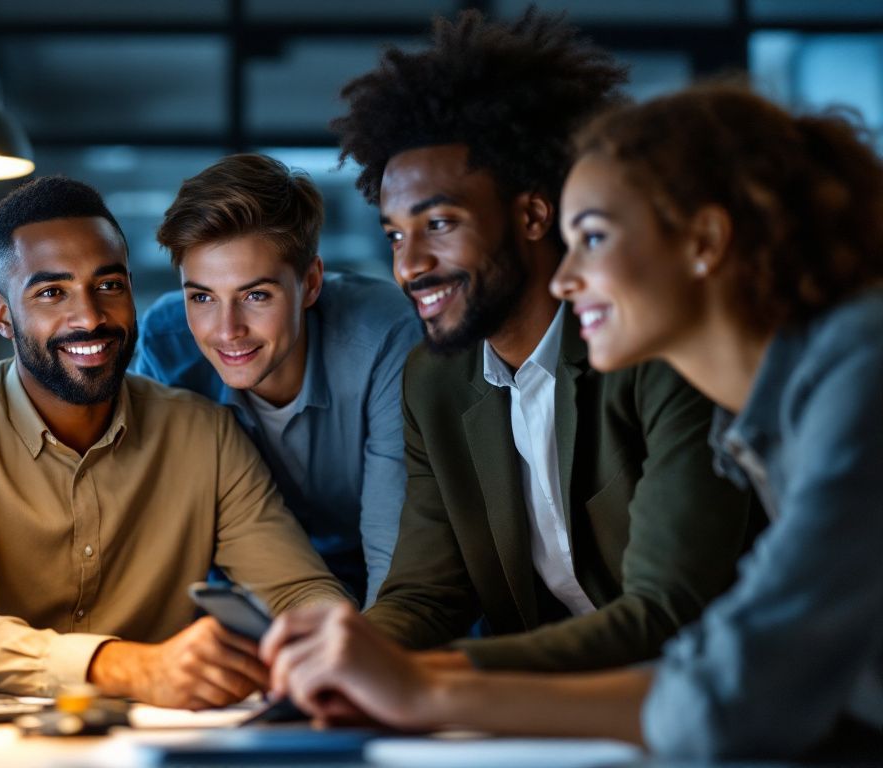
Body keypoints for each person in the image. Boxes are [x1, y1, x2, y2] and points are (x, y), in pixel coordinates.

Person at [263, 83, 883, 761]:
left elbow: (722, 672)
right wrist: (366, 668)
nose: (565, 277)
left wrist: (427, 689)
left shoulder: (850, 374)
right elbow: (730, 666)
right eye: (393, 234)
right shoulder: (782, 402)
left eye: (591, 237)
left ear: (705, 239)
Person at [324, 8, 755, 673]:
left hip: (703, 694)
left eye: (438, 223)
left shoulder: (656, 353)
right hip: (561, 711)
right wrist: (344, 652)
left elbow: (669, 609)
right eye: (394, 234)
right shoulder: (435, 380)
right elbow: (427, 591)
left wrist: (437, 675)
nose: (407, 265)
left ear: (531, 214)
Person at [0, 176, 352, 709]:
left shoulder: (205, 435)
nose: (90, 317)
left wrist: (333, 646)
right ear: (3, 315)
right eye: (52, 292)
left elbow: (296, 591)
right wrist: (125, 666)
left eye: (109, 285)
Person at [133, 154, 423, 606]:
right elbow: (159, 524)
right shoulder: (166, 343)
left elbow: (396, 565)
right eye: (203, 297)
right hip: (247, 594)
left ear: (310, 283)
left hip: (380, 581)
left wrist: (362, 668)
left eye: (255, 295)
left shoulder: (384, 336)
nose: (227, 330)